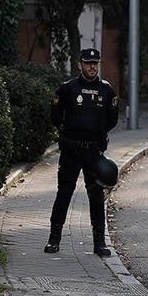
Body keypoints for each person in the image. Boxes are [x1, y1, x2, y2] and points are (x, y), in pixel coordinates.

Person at [45, 48, 119, 256]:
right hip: (71, 151)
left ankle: (99, 243)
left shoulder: (106, 90)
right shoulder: (67, 89)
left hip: (94, 153)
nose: (92, 67)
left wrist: (97, 133)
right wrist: (68, 133)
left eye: (95, 63)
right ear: (80, 65)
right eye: (88, 63)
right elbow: (55, 116)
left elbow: (112, 119)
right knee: (64, 194)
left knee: (96, 197)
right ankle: (54, 239)